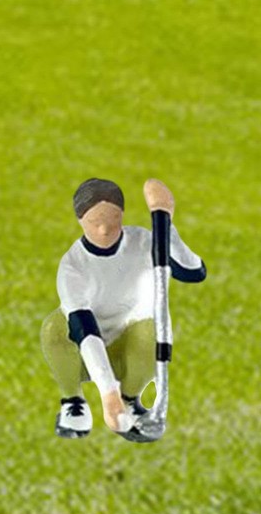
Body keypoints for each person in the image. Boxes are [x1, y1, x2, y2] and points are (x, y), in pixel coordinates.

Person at [40, 177, 206, 440]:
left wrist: (167, 230)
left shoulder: (143, 241)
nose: (104, 229)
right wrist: (109, 396)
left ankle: (130, 399)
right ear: (80, 220)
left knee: (151, 332)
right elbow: (85, 330)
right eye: (95, 222)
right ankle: (74, 401)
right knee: (54, 329)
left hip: (129, 346)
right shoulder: (73, 265)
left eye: (113, 219)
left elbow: (193, 271)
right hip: (83, 352)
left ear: (123, 215)